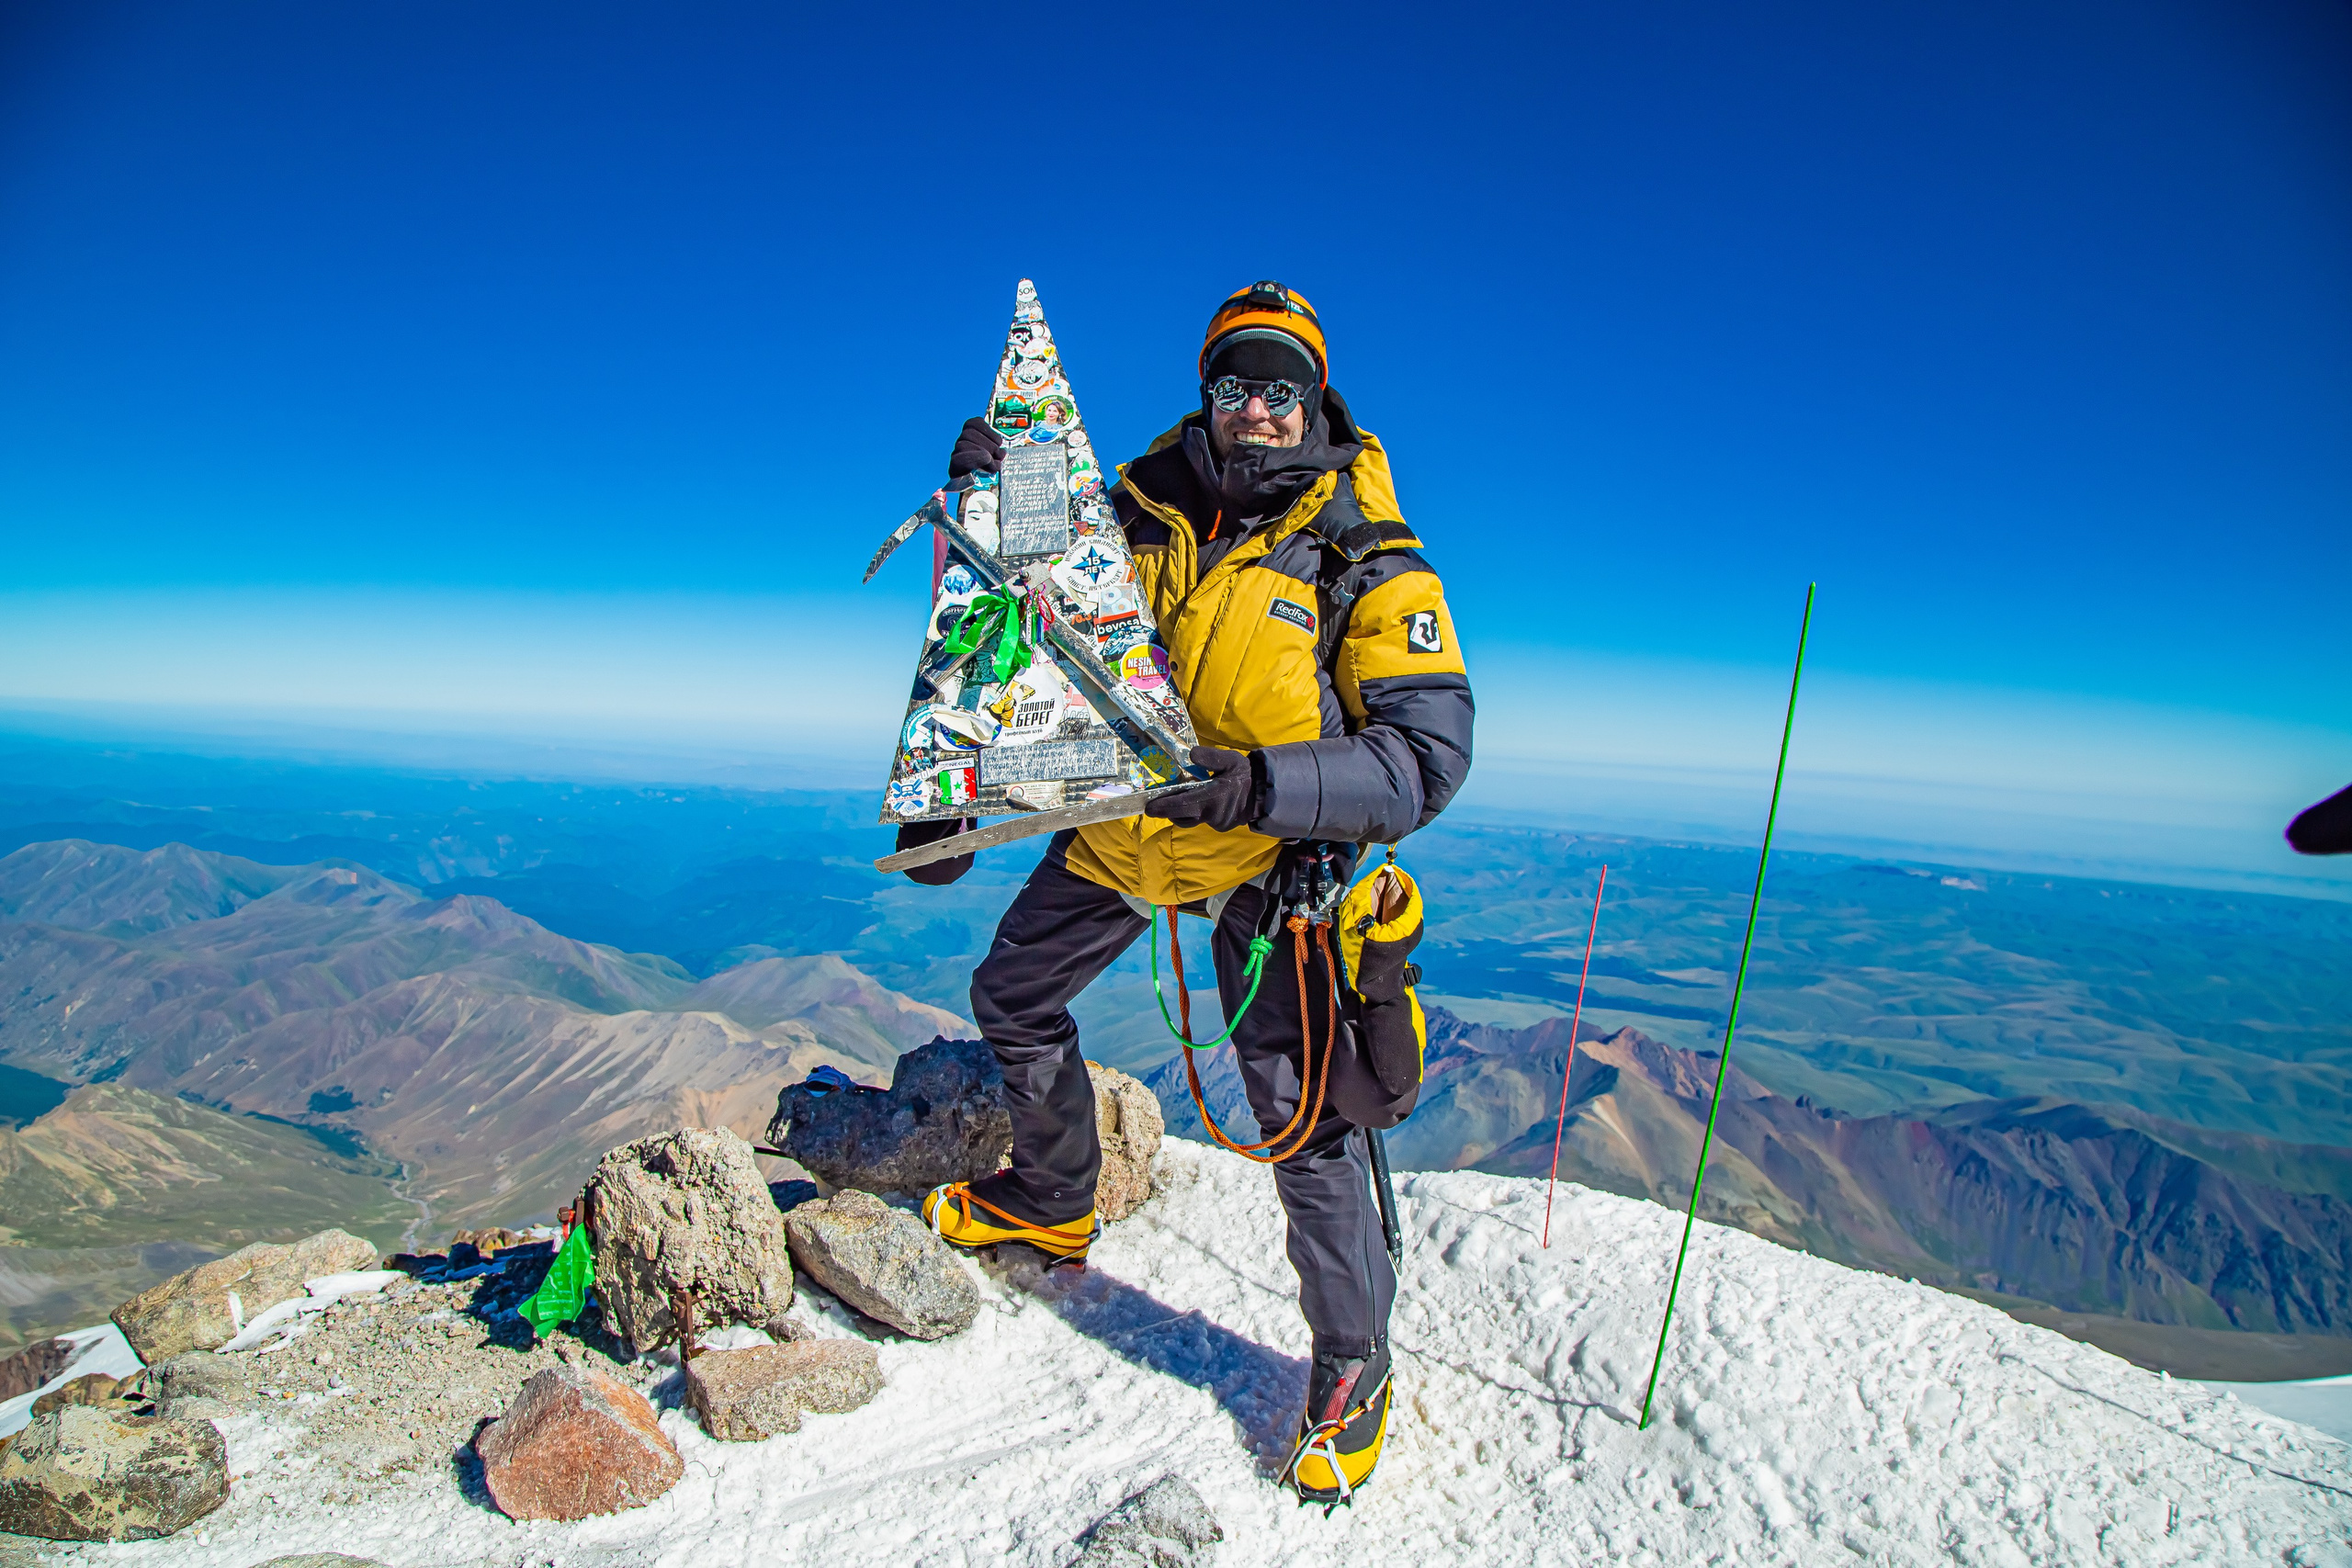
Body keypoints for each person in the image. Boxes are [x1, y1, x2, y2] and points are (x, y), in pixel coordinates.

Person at [899, 281, 1475, 1505]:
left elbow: (1426, 757)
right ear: (1207, 395)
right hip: (1124, 832)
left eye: (1284, 389)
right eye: (1236, 384)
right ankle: (1054, 1200)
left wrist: (1263, 786)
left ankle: (1352, 1363)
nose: (1258, 409)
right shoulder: (1133, 508)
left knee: (1297, 1113)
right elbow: (1033, 634)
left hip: (1265, 855)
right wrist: (1002, 500)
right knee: (1014, 993)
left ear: (1314, 404)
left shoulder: (1361, 550)